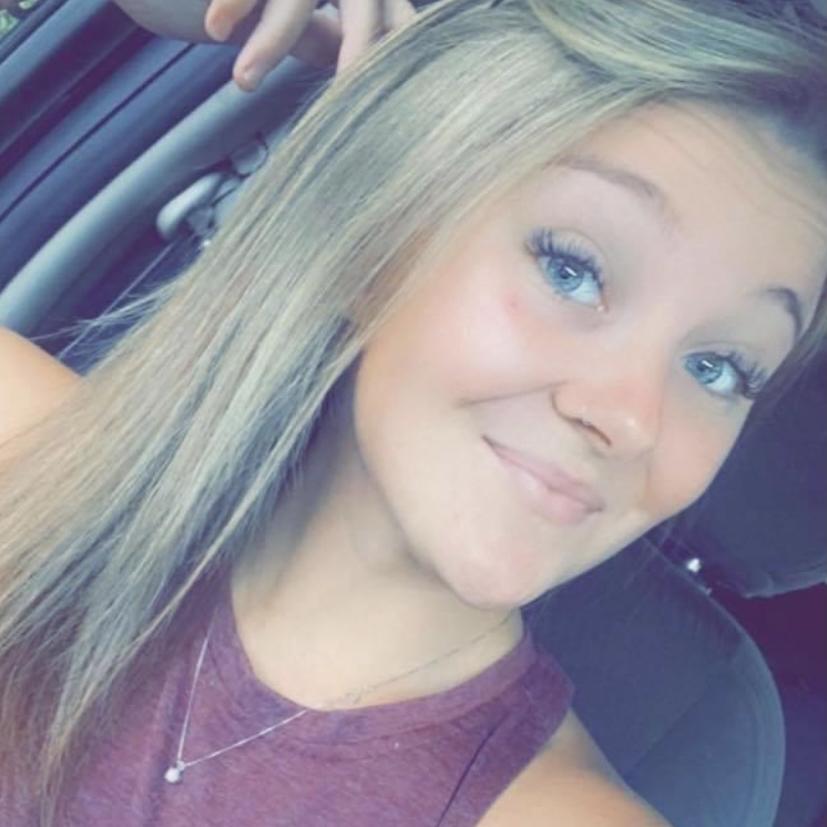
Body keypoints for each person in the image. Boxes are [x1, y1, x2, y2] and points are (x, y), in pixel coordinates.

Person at [1, 0, 825, 824]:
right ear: (381, 231)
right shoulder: (30, 457)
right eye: (571, 270)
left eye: (718, 368)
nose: (631, 418)